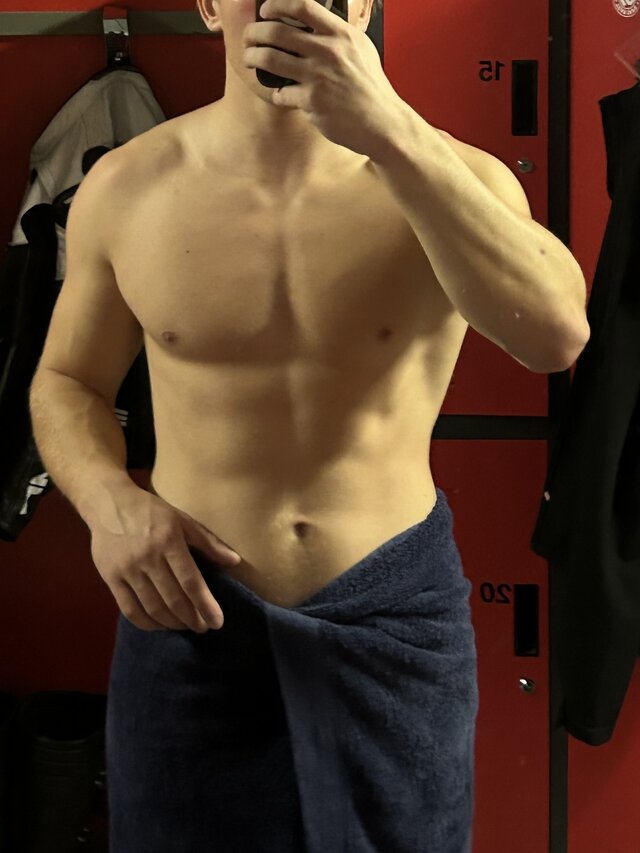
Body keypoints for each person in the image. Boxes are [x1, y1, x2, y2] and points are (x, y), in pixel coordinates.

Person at [28, 1, 590, 850]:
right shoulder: (128, 186)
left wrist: (390, 134)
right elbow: (68, 381)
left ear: (362, 6)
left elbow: (555, 338)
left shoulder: (453, 177)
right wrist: (110, 502)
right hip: (190, 618)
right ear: (209, 5)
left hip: (392, 623)